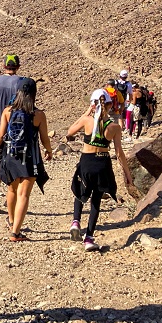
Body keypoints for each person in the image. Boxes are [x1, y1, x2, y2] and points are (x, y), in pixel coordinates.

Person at [66, 89, 133, 252]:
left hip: (87, 161)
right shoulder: (115, 127)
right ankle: (88, 238)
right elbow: (118, 153)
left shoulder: (86, 121)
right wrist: (127, 174)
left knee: (80, 192)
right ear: (110, 105)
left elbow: (70, 132)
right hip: (102, 163)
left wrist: (86, 112)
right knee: (96, 200)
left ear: (92, 104)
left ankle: (76, 221)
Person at [0, 79, 52, 241]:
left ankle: (12, 220)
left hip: (11, 156)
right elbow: (44, 138)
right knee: (24, 195)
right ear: (34, 93)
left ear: (18, 93)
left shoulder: (8, 111)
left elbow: (1, 134)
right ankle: (15, 232)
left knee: (12, 190)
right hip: (30, 158)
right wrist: (49, 150)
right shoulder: (39, 115)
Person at [0, 54, 26, 214]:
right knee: (15, 162)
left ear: (3, 66)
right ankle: (13, 202)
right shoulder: (23, 83)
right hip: (18, 129)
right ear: (18, 66)